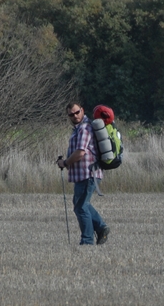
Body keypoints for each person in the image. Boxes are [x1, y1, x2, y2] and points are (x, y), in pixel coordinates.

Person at [57, 103, 110, 245]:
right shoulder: (79, 128)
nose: (75, 116)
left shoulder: (85, 128)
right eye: (71, 114)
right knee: (80, 204)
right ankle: (101, 227)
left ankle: (87, 241)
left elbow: (80, 152)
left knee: (81, 207)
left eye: (77, 112)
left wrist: (65, 163)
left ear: (82, 110)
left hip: (88, 174)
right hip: (83, 174)